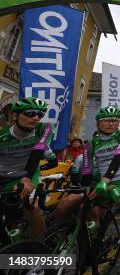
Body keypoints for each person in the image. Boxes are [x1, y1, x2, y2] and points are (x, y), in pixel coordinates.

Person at [81, 106, 120, 275]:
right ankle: (97, 243)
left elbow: (118, 156)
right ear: (97, 123)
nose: (111, 123)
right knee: (90, 213)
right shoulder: (90, 144)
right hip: (105, 184)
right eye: (107, 120)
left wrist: (105, 179)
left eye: (115, 120)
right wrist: (89, 185)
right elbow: (87, 170)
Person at [0, 97, 54, 239]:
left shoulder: (44, 128)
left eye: (40, 114)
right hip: (3, 177)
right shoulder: (2, 135)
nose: (36, 117)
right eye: (30, 113)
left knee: (32, 208)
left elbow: (38, 150)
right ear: (14, 116)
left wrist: (26, 178)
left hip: (27, 175)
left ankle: (41, 253)